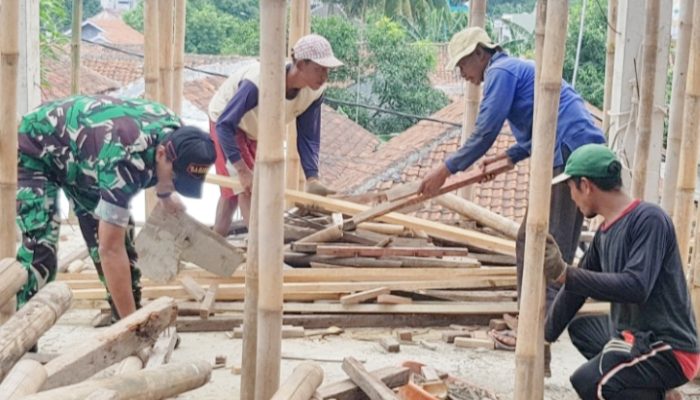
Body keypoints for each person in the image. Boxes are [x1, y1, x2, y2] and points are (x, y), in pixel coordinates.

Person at [419, 26, 606, 315]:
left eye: (462, 65)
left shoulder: (500, 72)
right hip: (570, 147)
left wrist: (445, 170)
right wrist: (510, 155)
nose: (462, 75)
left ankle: (541, 324)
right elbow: (539, 128)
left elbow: (484, 132)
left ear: (480, 54)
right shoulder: (512, 69)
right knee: (537, 239)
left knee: (548, 243)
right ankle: (536, 318)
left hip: (568, 151)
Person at [16, 95, 216, 320]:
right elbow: (110, 250)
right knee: (41, 248)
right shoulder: (124, 162)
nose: (175, 186)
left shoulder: (179, 134)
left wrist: (165, 194)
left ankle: (121, 316)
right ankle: (23, 332)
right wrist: (135, 328)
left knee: (121, 239)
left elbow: (116, 243)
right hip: (38, 146)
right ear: (161, 154)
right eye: (175, 179)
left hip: (86, 158)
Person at [543, 144, 699, 399]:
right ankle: (653, 389)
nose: (571, 197)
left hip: (668, 345)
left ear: (585, 185)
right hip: (635, 335)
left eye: (570, 188)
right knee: (581, 330)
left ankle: (653, 392)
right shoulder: (604, 234)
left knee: (590, 383)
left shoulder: (649, 220)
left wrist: (564, 273)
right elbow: (575, 290)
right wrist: (545, 335)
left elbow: (636, 286)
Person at [208, 33, 343, 236]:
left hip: (254, 129)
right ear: (300, 64)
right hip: (225, 123)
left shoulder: (314, 92)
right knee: (247, 188)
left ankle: (215, 241)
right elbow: (225, 125)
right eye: (319, 69)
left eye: (327, 70)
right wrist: (242, 170)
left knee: (232, 192)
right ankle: (260, 252)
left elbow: (308, 136)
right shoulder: (260, 81)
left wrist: (312, 178)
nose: (324, 76)